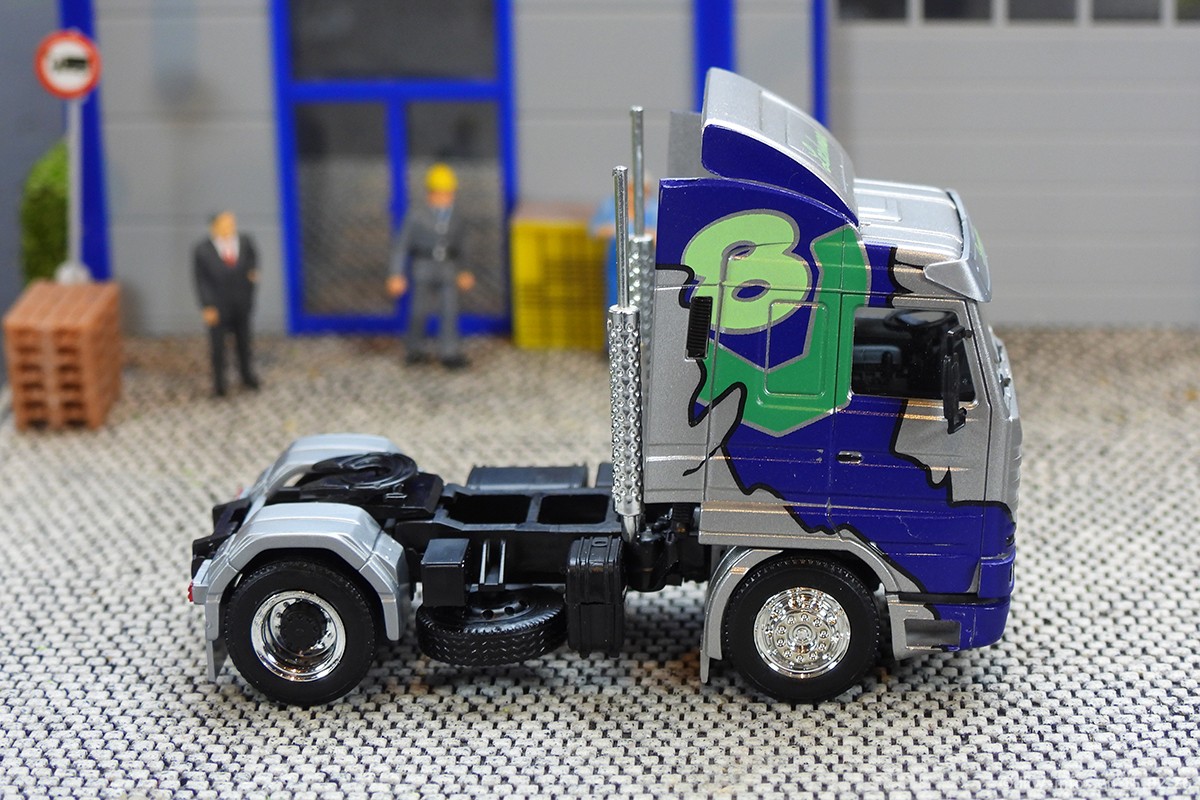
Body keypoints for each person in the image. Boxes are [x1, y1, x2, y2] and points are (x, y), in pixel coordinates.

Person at [388, 163, 475, 368]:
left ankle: (449, 352)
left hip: (448, 267)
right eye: (439, 194)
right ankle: (414, 349)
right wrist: (396, 274)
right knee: (418, 310)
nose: (444, 198)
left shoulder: (457, 217)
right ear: (430, 194)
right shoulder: (416, 216)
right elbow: (401, 246)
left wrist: (465, 270)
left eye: (448, 193)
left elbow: (463, 246)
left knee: (449, 310)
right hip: (423, 266)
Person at [194, 211, 259, 397]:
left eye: (232, 224)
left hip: (241, 302)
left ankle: (246, 375)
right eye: (225, 224)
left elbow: (253, 262)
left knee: (244, 342)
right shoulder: (203, 250)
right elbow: (201, 281)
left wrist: (252, 279)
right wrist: (207, 305)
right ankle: (220, 383)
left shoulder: (245, 242)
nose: (230, 228)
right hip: (218, 304)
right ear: (214, 227)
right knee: (218, 345)